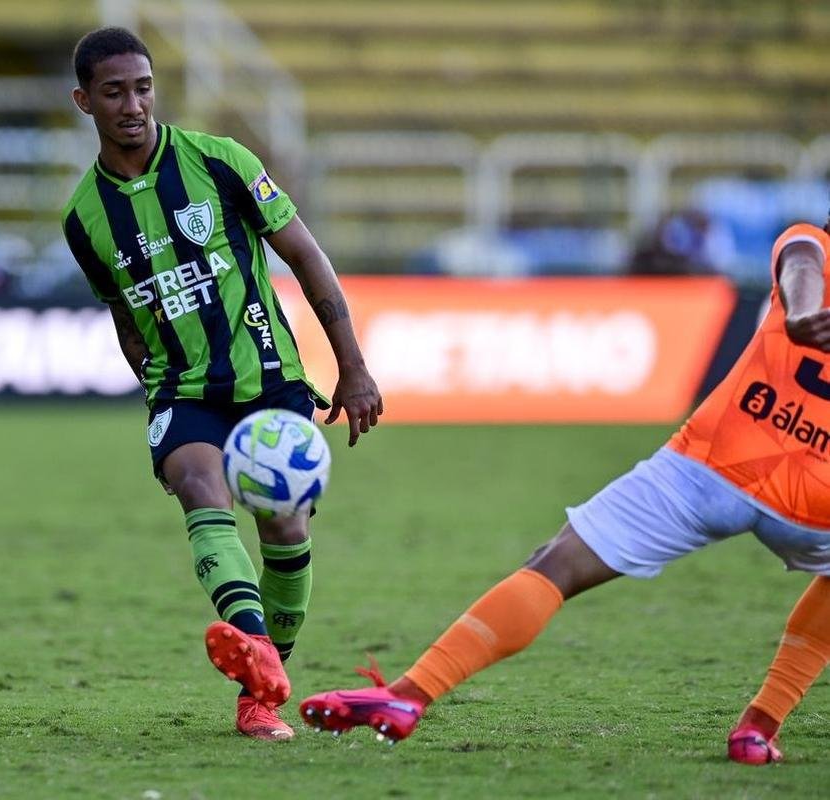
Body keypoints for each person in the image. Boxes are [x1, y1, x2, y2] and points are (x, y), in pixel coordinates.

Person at [301, 219, 830, 765]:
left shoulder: (810, 239)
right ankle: (758, 729)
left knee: (557, 566)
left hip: (716, 461)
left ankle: (410, 695)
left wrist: (806, 316)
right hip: (819, 503)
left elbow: (802, 267)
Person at [61, 27, 382, 741]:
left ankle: (258, 685)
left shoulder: (219, 160)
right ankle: (259, 667)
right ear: (85, 101)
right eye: (114, 92)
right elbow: (125, 314)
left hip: (268, 378)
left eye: (142, 87)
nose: (133, 105)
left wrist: (351, 367)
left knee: (284, 526)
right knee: (201, 490)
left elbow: (305, 255)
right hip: (182, 389)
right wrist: (153, 391)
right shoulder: (84, 217)